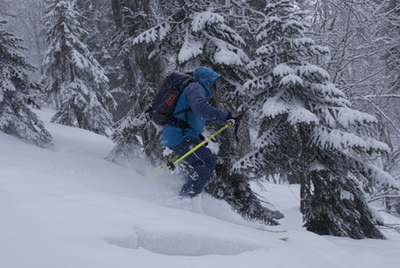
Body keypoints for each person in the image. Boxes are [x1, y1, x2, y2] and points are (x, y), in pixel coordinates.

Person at [162, 66, 238, 198]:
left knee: (203, 161)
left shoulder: (195, 90)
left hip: (180, 135)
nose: (217, 87)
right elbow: (200, 109)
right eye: (216, 83)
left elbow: (189, 116)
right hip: (178, 136)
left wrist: (197, 136)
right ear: (208, 81)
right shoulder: (196, 88)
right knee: (206, 162)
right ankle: (186, 198)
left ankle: (185, 196)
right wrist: (226, 116)